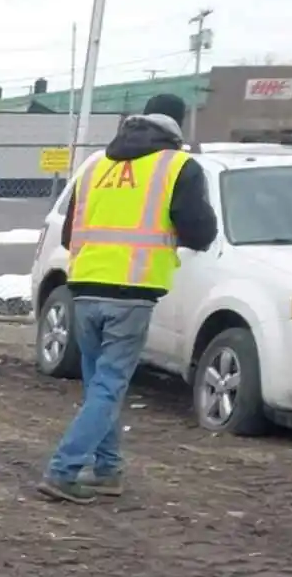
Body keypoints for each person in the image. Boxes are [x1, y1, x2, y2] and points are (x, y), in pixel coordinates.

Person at [38, 93, 218, 504]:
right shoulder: (178, 167)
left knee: (100, 386)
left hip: (82, 287)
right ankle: (63, 470)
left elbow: (70, 235)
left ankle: (108, 469)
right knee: (109, 386)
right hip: (132, 293)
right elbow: (199, 231)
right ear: (178, 124)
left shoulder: (97, 166)